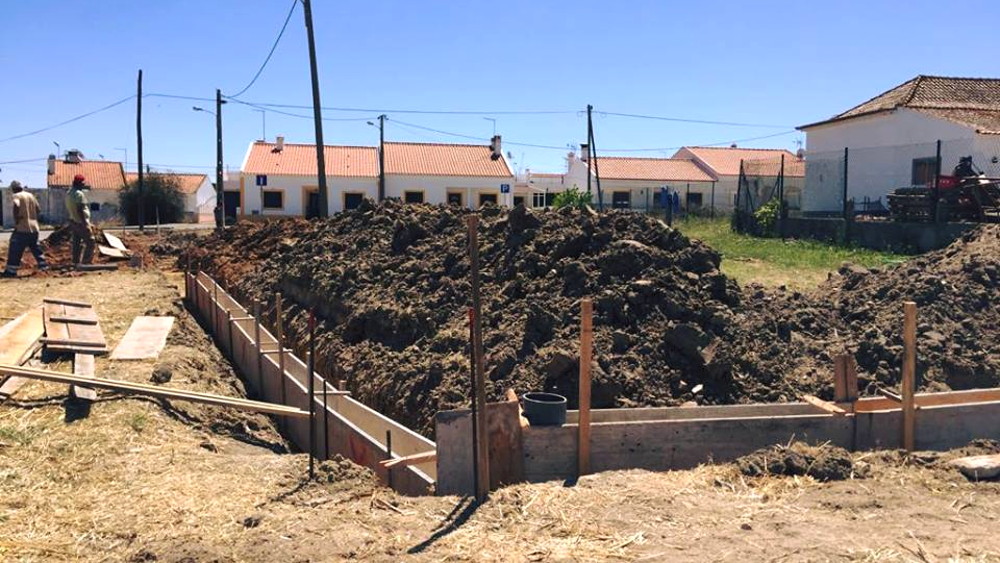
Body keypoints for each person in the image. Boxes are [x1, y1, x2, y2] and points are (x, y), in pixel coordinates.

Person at [3, 181, 49, 278]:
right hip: (34, 227)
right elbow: (38, 210)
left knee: (15, 248)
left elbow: (16, 205)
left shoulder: (17, 196)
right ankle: (44, 266)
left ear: (13, 188)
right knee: (36, 248)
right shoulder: (30, 196)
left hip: (22, 227)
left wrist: (17, 219)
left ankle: (11, 271)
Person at [65, 174, 96, 265]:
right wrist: (85, 224)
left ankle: (75, 262)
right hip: (80, 222)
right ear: (78, 183)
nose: (84, 185)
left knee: (77, 243)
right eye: (82, 183)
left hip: (73, 221)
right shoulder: (79, 194)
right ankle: (86, 263)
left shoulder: (69, 193)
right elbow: (80, 210)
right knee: (90, 242)